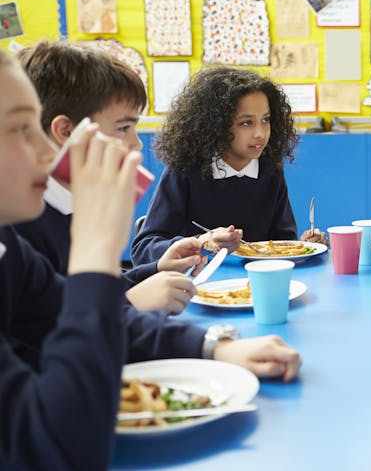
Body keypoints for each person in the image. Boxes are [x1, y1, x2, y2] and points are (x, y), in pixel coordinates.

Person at [0, 51, 301, 469]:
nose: (43, 150)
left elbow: (65, 311)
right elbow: (59, 448)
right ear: (67, 131)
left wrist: (214, 346)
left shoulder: (8, 250)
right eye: (20, 128)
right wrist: (97, 255)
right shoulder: (24, 229)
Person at [13, 40, 202, 315]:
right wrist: (131, 303)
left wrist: (157, 268)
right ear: (66, 131)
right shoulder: (23, 224)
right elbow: (42, 329)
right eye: (123, 127)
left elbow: (94, 287)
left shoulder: (72, 202)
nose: (136, 144)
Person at [131, 66, 327, 265]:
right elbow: (144, 249)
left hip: (255, 286)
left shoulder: (270, 170)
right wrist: (202, 243)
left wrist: (302, 246)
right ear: (217, 125)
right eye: (246, 123)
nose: (260, 133)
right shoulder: (185, 170)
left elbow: (281, 241)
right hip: (197, 287)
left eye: (266, 120)